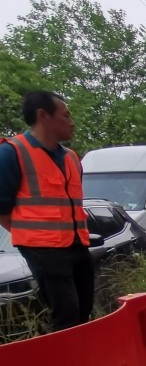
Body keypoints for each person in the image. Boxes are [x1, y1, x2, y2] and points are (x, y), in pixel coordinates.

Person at [0, 90, 93, 330]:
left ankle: (83, 362)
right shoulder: (12, 153)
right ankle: (65, 365)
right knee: (66, 314)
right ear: (44, 116)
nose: (71, 122)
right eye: (66, 115)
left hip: (77, 244)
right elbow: (2, 208)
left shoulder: (72, 158)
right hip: (44, 251)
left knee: (84, 310)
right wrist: (33, 239)